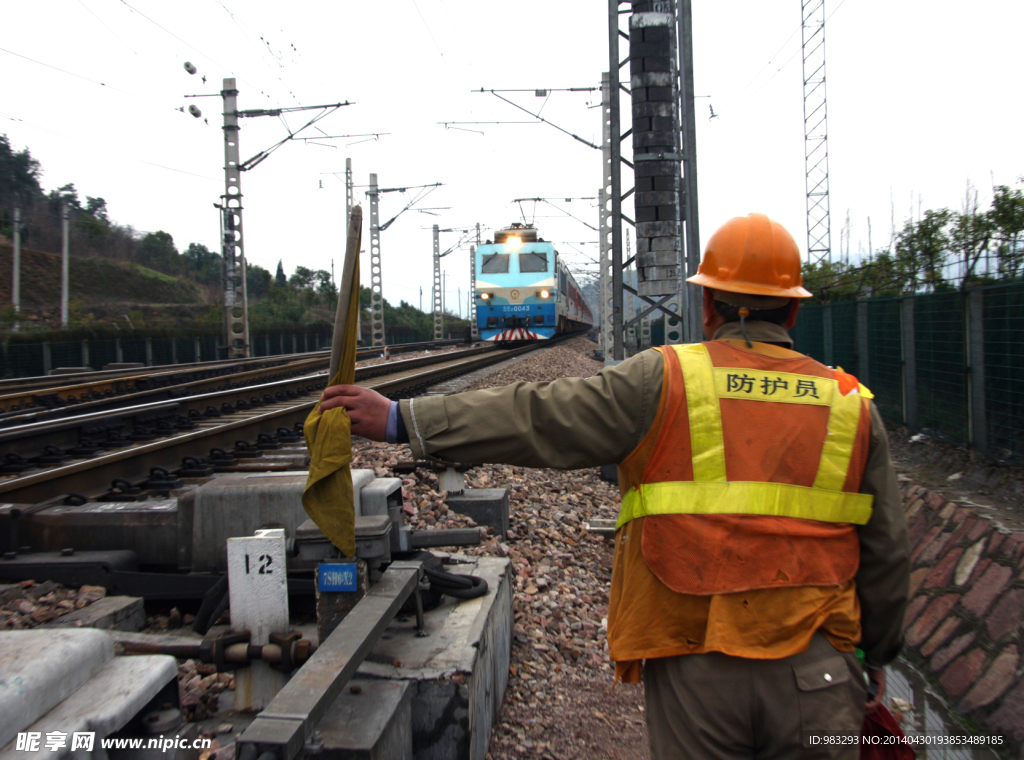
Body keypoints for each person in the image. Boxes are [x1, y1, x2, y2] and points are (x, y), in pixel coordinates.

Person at [320, 213, 910, 760]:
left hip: (694, 661)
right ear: (793, 312)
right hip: (819, 672)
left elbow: (540, 416)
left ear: (707, 306)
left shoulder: (666, 378)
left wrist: (402, 419)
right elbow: (885, 556)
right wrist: (876, 655)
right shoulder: (851, 406)